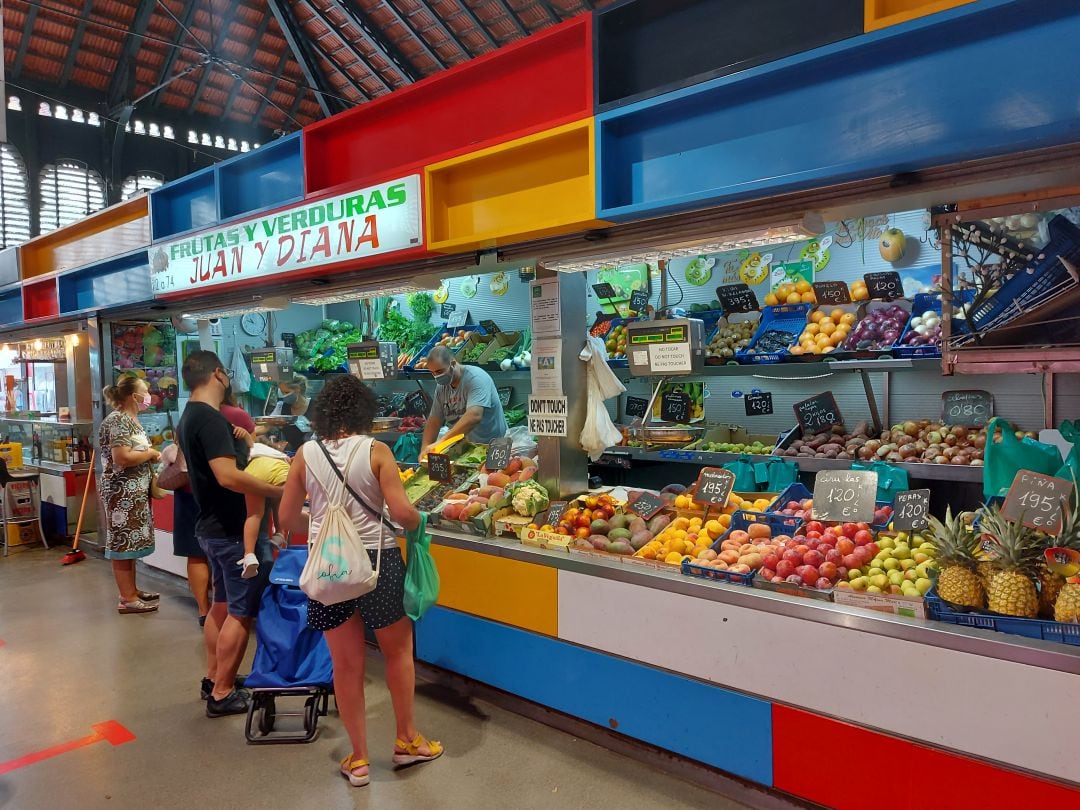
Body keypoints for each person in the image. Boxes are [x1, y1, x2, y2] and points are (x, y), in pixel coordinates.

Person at [279, 375, 442, 787]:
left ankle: (359, 759)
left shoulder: (304, 454)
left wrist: (322, 526)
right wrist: (422, 520)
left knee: (346, 665)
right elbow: (403, 515)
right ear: (363, 412)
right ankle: (406, 741)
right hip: (378, 562)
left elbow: (285, 520)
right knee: (397, 653)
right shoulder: (376, 450)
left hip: (328, 567)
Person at [177, 350, 284, 717]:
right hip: (232, 532)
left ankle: (214, 677)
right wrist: (274, 490)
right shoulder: (209, 419)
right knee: (240, 613)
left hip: (210, 527)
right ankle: (222, 693)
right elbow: (226, 475)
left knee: (220, 607)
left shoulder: (189, 416)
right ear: (219, 375)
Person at [99, 375, 161, 614]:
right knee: (123, 543)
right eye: (144, 390)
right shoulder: (118, 421)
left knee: (132, 543)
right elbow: (121, 456)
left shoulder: (131, 420)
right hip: (121, 494)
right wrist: (150, 454)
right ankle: (127, 597)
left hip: (134, 493)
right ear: (132, 396)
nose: (148, 395)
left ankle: (131, 591)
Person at [419, 345, 507, 460]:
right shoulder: (442, 387)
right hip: (466, 450)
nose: (437, 377)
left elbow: (474, 415)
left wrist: (441, 441)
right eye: (433, 373)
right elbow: (434, 421)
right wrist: (425, 449)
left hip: (493, 447)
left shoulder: (476, 378)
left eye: (440, 371)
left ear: (453, 364)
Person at [237, 441, 291, 578]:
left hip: (255, 471)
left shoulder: (253, 449)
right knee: (279, 503)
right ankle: (280, 534)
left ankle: (249, 555)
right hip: (281, 470)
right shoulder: (280, 456)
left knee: (254, 515)